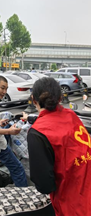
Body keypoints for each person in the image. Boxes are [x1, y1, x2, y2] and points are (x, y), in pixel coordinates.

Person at [27, 77, 91, 216]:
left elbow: (45, 185)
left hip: (74, 205)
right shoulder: (71, 115)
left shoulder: (38, 132)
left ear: (33, 100)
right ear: (61, 98)